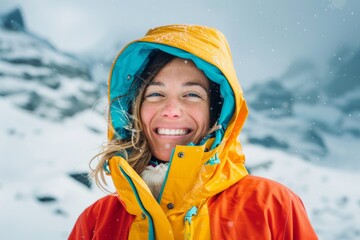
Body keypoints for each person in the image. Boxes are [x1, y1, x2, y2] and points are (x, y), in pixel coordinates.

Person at [69, 24, 318, 240]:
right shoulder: (95, 222)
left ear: (216, 111)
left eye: (191, 94)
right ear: (136, 108)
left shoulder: (272, 207)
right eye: (155, 94)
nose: (171, 110)